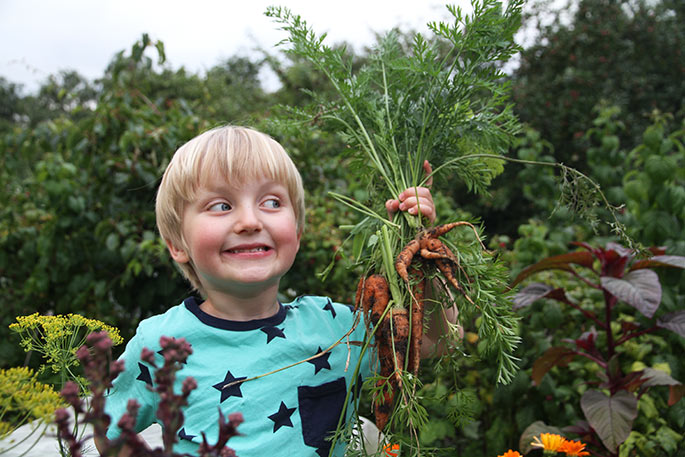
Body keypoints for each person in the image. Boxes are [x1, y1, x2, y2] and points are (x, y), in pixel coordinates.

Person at [97, 125, 456, 457]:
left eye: (271, 202)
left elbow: (435, 341)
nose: (251, 221)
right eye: (221, 205)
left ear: (297, 234)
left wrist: (424, 249)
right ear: (177, 243)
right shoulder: (161, 341)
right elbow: (107, 428)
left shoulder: (336, 328)